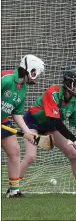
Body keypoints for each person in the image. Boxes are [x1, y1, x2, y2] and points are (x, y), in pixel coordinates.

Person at [19, 69, 76, 198]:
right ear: (69, 83)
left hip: (51, 126)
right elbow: (56, 121)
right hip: (32, 123)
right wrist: (73, 139)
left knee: (73, 154)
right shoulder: (53, 92)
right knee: (30, 156)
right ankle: (13, 189)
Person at [2, 54, 45, 198]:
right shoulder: (6, 78)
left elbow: (17, 113)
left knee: (14, 151)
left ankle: (14, 191)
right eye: (36, 72)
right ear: (30, 70)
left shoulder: (23, 88)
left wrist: (27, 132)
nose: (37, 76)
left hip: (3, 122)